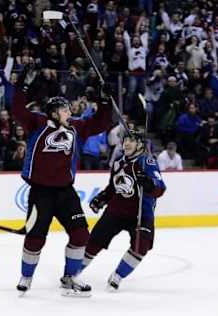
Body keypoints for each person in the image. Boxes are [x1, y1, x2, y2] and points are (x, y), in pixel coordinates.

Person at [11, 79, 112, 296]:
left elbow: (101, 123)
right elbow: (17, 110)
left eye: (68, 109)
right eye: (64, 110)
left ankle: (70, 276)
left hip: (66, 192)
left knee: (81, 235)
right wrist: (24, 87)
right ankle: (26, 277)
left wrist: (105, 100)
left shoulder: (77, 128)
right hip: (41, 193)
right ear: (54, 114)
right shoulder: (37, 123)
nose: (69, 112)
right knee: (35, 238)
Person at [81, 131, 166, 290]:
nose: (126, 143)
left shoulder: (148, 162)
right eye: (125, 140)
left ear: (140, 145)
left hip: (141, 214)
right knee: (94, 242)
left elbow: (160, 189)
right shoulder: (118, 163)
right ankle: (74, 271)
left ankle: (118, 275)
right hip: (116, 211)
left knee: (141, 247)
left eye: (131, 141)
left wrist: (147, 183)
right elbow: (114, 187)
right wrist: (103, 198)